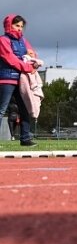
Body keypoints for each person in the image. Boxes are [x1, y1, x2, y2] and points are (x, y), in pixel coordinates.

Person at [0, 15, 41, 146]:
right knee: (1, 109)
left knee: (24, 108)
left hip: (22, 80)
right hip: (6, 79)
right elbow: (9, 58)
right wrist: (28, 67)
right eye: (17, 25)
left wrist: (34, 63)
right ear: (8, 25)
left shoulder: (23, 40)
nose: (19, 29)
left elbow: (32, 54)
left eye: (21, 26)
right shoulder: (3, 40)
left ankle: (25, 138)